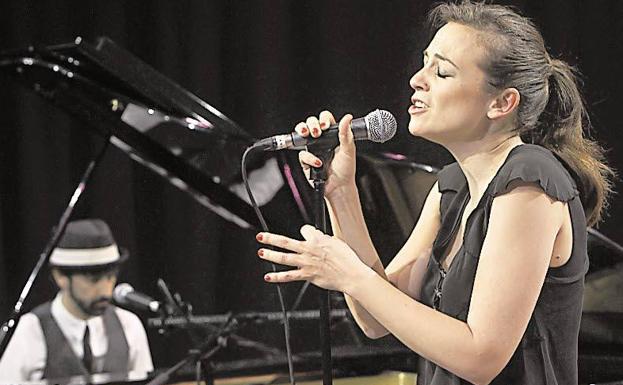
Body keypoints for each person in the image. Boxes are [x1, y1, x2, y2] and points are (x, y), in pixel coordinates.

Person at [255, 1, 614, 384]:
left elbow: (481, 358)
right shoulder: (452, 188)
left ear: (502, 102)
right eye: (425, 63)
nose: (417, 80)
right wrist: (341, 192)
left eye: (442, 72)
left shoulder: (529, 180)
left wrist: (349, 274)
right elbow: (376, 319)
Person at [0, 218, 153, 381]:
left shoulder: (129, 324)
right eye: (93, 280)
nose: (106, 289)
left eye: (111, 277)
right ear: (60, 277)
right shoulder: (30, 330)